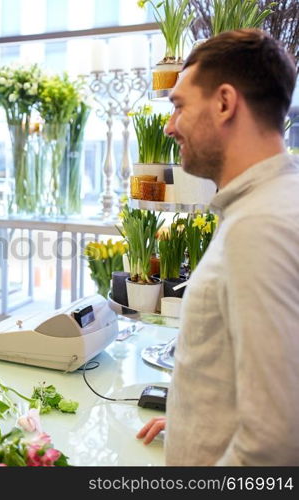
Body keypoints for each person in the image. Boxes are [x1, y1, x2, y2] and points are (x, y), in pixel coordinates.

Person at [136, 29, 299, 465]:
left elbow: (274, 441)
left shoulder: (260, 227)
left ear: (225, 103)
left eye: (179, 106)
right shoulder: (273, 204)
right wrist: (200, 419)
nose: (170, 126)